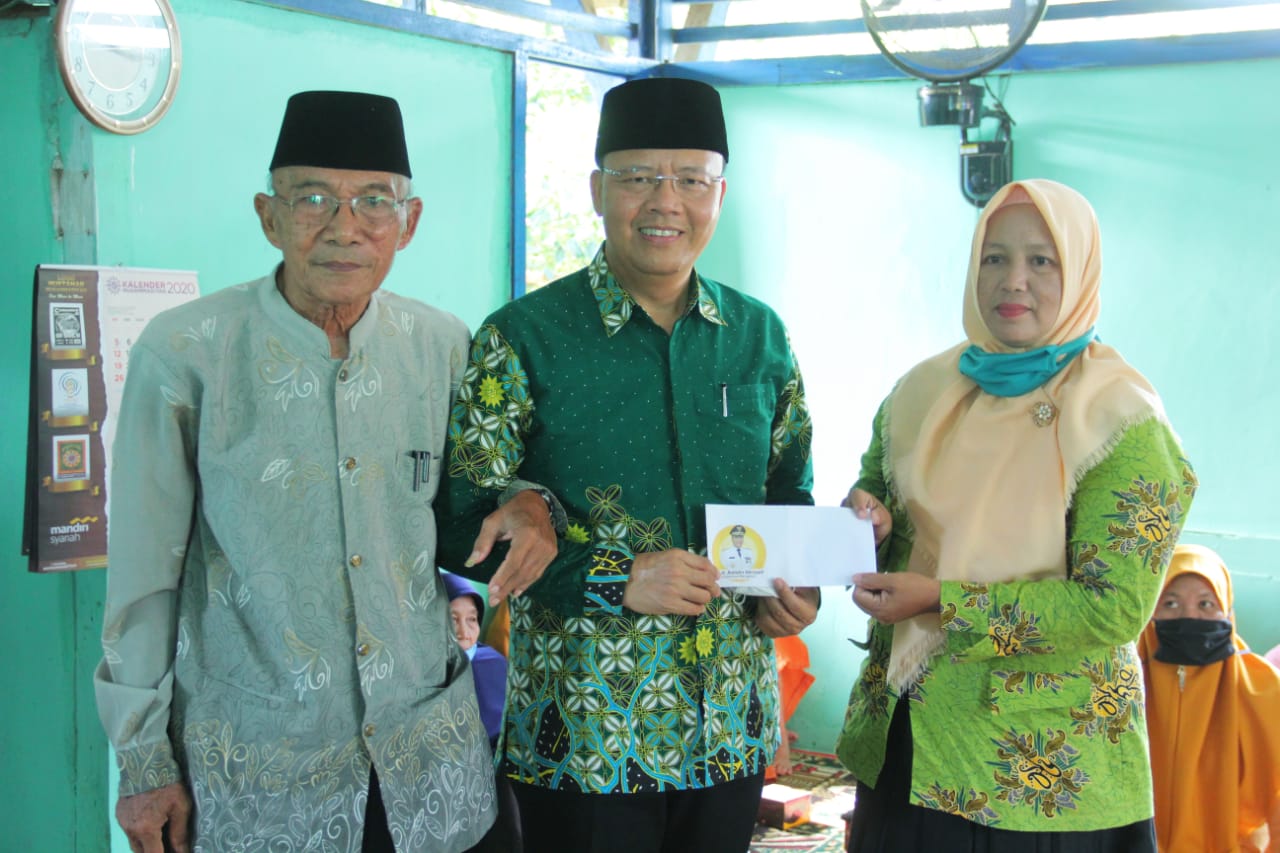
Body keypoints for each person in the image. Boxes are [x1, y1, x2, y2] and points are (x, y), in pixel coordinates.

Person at [93, 90, 555, 853]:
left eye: (374, 201)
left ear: (408, 222)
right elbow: (144, 576)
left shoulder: (443, 346)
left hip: (430, 768)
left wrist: (528, 499)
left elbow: (488, 490)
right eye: (312, 198)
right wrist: (143, 761)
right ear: (268, 216)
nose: (344, 226)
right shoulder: (187, 352)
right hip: (263, 776)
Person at [435, 76, 820, 853]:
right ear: (597, 190)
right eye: (639, 177)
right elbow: (459, 525)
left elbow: (790, 490)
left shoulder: (759, 336)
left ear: (720, 193)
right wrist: (617, 577)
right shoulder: (523, 337)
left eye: (691, 180)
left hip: (730, 728)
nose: (665, 201)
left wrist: (797, 590)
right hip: (586, 736)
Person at [834, 179, 1198, 851]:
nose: (1014, 281)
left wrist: (943, 602)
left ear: (1079, 271)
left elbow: (1112, 607)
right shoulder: (921, 392)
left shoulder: (1120, 419)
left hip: (1036, 770)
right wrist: (869, 516)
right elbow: (876, 490)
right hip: (905, 744)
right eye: (994, 258)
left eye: (1042, 261)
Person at [1138, 543, 1280, 853]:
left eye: (1205, 604)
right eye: (1170, 603)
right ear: (1149, 610)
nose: (1190, 616)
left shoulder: (1265, 690)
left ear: (1226, 610)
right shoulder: (1124, 686)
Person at [442, 572, 523, 853]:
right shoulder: (423, 672)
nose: (464, 631)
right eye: (452, 619)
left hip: (493, 781)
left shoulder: (494, 664)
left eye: (472, 619)